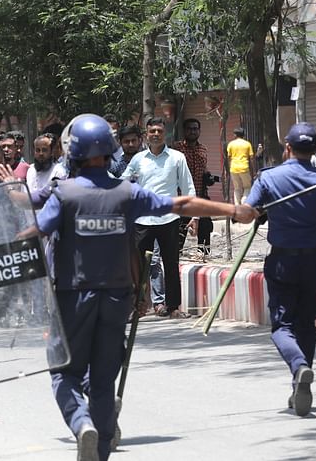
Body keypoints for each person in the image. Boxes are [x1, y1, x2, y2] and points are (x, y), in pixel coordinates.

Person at [34, 114, 255, 461]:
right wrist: (233, 209)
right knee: (105, 382)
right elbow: (181, 204)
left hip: (73, 297)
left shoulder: (65, 194)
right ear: (110, 151)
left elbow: (37, 231)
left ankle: (81, 424)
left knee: (64, 373)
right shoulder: (127, 191)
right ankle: (101, 444)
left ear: (71, 152)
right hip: (118, 297)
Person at [242, 123, 316, 417]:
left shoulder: (269, 177)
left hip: (283, 262)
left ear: (287, 148)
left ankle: (299, 367)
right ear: (314, 150)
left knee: (282, 326)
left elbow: (246, 213)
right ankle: (299, 384)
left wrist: (261, 210)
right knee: (306, 323)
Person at [121, 117, 195, 318]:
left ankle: (173, 307)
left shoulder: (177, 158)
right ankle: (136, 307)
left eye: (159, 131)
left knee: (171, 264)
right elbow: (124, 182)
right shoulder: (138, 160)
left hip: (169, 219)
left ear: (165, 134)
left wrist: (193, 215)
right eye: (152, 130)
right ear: (146, 133)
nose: (155, 134)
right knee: (138, 267)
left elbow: (187, 186)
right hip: (142, 220)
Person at [172, 118, 214, 256]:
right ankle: (176, 254)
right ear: (184, 131)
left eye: (195, 129)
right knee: (179, 228)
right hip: (181, 197)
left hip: (201, 195)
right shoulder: (176, 149)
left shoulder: (203, 149)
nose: (193, 131)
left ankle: (203, 254)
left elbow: (204, 169)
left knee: (205, 225)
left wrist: (208, 177)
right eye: (190, 128)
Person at [227, 126, 255, 204]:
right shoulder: (247, 144)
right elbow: (251, 159)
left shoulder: (231, 144)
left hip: (233, 169)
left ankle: (237, 206)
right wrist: (253, 171)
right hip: (244, 168)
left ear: (235, 135)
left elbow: (229, 157)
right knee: (247, 187)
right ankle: (244, 201)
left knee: (237, 188)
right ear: (243, 135)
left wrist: (230, 167)